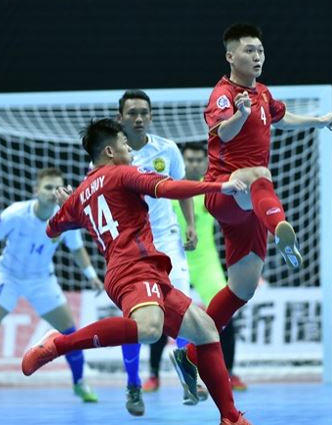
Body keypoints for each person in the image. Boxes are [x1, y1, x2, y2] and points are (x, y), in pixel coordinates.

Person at [21, 118, 252, 425]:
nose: (130, 149)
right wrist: (218, 186)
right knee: (150, 329)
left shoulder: (81, 193)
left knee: (206, 330)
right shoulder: (122, 173)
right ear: (109, 151)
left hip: (144, 270)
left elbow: (52, 229)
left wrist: (73, 205)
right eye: (124, 144)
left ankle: (231, 418)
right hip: (133, 269)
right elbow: (167, 187)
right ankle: (59, 344)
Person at [172, 23, 332, 389]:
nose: (257, 56)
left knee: (242, 289)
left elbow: (283, 118)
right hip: (224, 190)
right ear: (230, 56)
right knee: (258, 173)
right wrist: (241, 114)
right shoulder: (223, 94)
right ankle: (280, 227)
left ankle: (190, 355)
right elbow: (222, 133)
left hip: (249, 208)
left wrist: (318, 121)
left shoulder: (262, 92)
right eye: (249, 50)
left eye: (261, 50)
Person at [0, 167, 103, 405]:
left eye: (57, 187)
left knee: (71, 332)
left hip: (42, 280)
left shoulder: (65, 217)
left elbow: (77, 249)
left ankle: (80, 383)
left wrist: (91, 275)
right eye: (48, 187)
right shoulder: (16, 213)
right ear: (36, 190)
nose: (53, 192)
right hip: (8, 277)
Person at [115, 89, 204, 414]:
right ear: (120, 118)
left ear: (150, 116)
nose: (139, 118)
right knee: (133, 320)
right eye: (132, 113)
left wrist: (190, 224)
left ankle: (188, 377)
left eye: (144, 113)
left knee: (182, 305)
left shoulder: (167, 149)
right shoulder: (111, 156)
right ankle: (133, 384)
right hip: (129, 246)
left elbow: (181, 188)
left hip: (166, 238)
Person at [143, 142, 246, 393]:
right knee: (162, 316)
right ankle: (154, 374)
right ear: (181, 161)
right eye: (189, 159)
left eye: (199, 160)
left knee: (226, 316)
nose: (194, 164)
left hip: (205, 263)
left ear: (206, 163)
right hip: (172, 260)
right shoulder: (167, 189)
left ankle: (230, 372)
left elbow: (236, 218)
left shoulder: (212, 190)